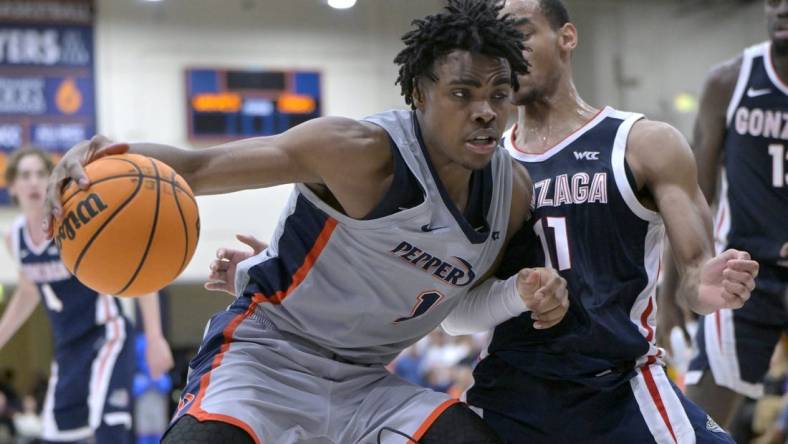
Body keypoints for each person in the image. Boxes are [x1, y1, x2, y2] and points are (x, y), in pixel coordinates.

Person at [43, 1, 570, 443]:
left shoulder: (511, 194)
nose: (485, 111)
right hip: (267, 356)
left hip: (368, 383)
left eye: (499, 96)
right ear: (419, 95)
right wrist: (98, 159)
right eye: (463, 93)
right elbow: (199, 167)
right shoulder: (358, 153)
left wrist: (518, 295)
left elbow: (456, 318)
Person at [439, 1, 761, 443]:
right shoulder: (481, 166)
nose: (507, 52)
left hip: (618, 388)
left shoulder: (644, 143)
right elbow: (456, 316)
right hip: (514, 394)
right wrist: (520, 292)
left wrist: (707, 288)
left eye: (520, 32)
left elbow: (693, 278)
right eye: (495, 41)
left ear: (566, 37)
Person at [0, 147, 175, 444]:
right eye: (25, 175)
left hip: (107, 334)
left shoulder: (75, 223)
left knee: (108, 428)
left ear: (53, 180)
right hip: (68, 346)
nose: (33, 182)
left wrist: (155, 337)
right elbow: (29, 291)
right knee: (57, 434)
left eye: (41, 174)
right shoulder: (14, 238)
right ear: (12, 186)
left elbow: (136, 270)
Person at [670, 0, 788, 429]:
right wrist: (671, 290)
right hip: (743, 273)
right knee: (695, 428)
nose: (782, 8)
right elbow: (691, 194)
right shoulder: (730, 81)